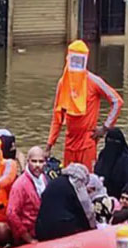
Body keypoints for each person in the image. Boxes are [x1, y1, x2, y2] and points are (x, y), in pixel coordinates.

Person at [45, 40, 123, 172]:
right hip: (70, 142)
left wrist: (105, 128)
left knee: (88, 181)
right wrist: (49, 145)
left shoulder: (93, 81)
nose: (75, 65)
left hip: (87, 140)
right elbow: (57, 117)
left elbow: (117, 101)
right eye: (73, 60)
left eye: (79, 61)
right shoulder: (63, 84)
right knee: (69, 181)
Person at [35, 162, 96, 242]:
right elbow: (86, 209)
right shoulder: (77, 183)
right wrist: (93, 228)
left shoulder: (55, 181)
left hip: (42, 227)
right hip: (63, 229)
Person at [7, 146, 47, 245]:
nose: (37, 165)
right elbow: (11, 214)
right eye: (34, 161)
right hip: (27, 235)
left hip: (41, 230)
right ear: (28, 161)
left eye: (41, 162)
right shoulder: (20, 185)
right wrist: (28, 238)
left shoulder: (44, 180)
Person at [94, 128, 128, 201]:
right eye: (109, 140)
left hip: (122, 200)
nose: (112, 144)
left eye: (115, 141)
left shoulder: (126, 160)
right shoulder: (103, 155)